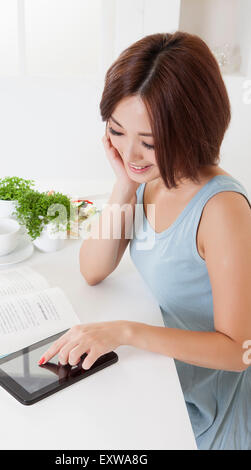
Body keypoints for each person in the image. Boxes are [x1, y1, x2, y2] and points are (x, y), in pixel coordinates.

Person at [39, 31, 251, 450]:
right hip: (167, 375)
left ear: (192, 131)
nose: (131, 153)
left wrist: (125, 332)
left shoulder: (222, 211)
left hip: (212, 406)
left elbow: (239, 351)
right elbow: (92, 269)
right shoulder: (148, 177)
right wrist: (123, 184)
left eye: (150, 142)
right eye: (117, 132)